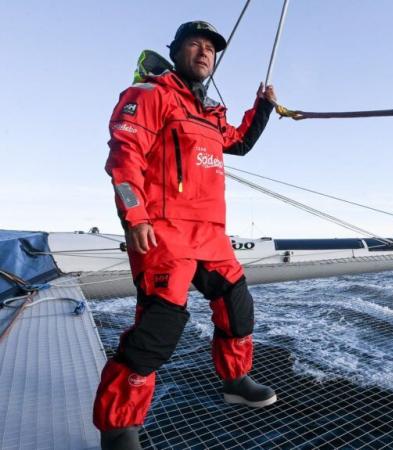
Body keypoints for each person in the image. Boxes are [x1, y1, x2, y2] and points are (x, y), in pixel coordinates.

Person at [93, 21, 277, 450]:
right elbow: (124, 158)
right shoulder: (149, 96)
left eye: (211, 49)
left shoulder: (211, 116)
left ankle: (235, 380)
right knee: (158, 330)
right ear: (175, 51)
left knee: (237, 308)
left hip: (211, 234)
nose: (204, 52)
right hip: (165, 234)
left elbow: (241, 142)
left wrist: (263, 106)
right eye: (194, 44)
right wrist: (134, 215)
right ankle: (119, 428)